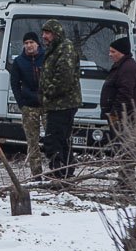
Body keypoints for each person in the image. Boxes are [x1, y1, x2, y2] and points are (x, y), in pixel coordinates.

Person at [39, 19, 82, 179]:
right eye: (43, 33)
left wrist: (48, 92)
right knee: (61, 139)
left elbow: (64, 77)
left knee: (53, 140)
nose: (44, 36)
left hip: (63, 104)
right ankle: (66, 171)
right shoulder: (55, 49)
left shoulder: (65, 48)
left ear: (56, 34)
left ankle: (58, 172)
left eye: (48, 33)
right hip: (57, 104)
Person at [9, 31, 45, 176]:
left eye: (31, 42)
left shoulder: (46, 58)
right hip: (29, 106)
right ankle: (36, 173)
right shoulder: (19, 61)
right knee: (32, 141)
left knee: (52, 139)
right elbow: (15, 84)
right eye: (26, 43)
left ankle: (56, 170)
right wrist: (21, 103)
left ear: (37, 44)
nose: (29, 46)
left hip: (47, 104)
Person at [100, 36, 136, 126]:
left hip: (122, 117)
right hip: (119, 115)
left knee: (118, 137)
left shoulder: (127, 68)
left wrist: (114, 115)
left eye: (113, 52)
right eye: (110, 51)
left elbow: (125, 94)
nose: (109, 54)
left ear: (122, 53)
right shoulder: (121, 65)